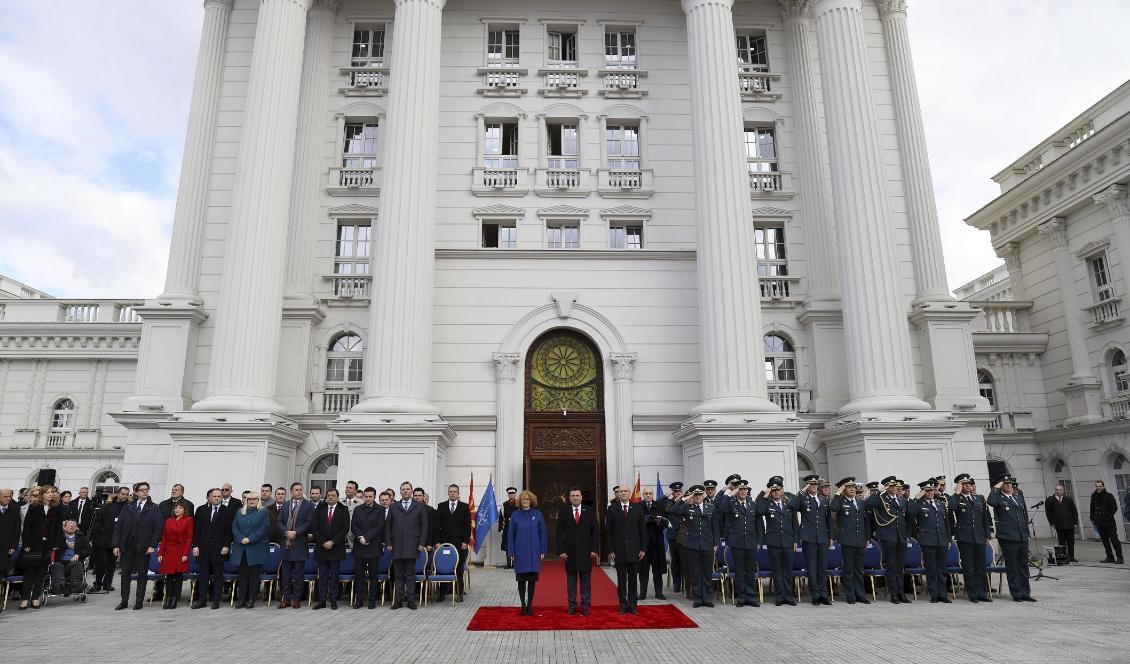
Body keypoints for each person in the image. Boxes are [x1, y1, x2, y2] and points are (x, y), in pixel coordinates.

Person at [112, 481, 163, 610]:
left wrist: (153, 545)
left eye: (146, 489)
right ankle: (124, 601)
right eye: (142, 490)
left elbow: (158, 528)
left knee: (142, 575)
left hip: (144, 546)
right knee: (125, 574)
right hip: (128, 545)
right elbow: (119, 527)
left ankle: (139, 601)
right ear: (136, 492)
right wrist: (116, 545)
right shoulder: (128, 506)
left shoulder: (154, 508)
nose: (144, 492)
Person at [987, 476, 1035, 602]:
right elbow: (991, 502)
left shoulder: (1017, 497)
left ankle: (1026, 593)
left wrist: (1027, 533)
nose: (1009, 485)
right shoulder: (998, 497)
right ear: (1001, 485)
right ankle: (1017, 594)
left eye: (1010, 483)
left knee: (1023, 566)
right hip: (1008, 537)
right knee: (1012, 566)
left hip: (1021, 535)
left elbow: (1024, 515)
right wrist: (995, 488)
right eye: (1006, 483)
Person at [671, 485, 718, 608]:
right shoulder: (687, 508)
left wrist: (715, 544)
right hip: (692, 545)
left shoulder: (711, 508)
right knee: (695, 573)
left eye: (699, 495)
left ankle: (707, 599)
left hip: (707, 544)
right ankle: (697, 598)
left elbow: (715, 527)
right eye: (695, 495)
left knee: (707, 573)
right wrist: (685, 498)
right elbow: (672, 510)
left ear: (703, 495)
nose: (697, 497)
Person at [866, 475, 910, 604]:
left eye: (895, 486)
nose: (894, 488)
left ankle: (901, 593)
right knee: (891, 566)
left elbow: (907, 518)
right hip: (888, 536)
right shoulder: (881, 499)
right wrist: (879, 491)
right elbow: (868, 503)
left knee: (900, 567)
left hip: (900, 536)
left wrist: (906, 534)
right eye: (891, 486)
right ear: (886, 487)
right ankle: (893, 594)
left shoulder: (901, 500)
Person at [949, 473, 992, 602]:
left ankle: (982, 593)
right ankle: (972, 594)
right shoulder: (956, 498)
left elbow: (984, 517)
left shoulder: (979, 498)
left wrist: (987, 534)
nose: (968, 486)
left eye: (969, 484)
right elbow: (951, 507)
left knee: (980, 566)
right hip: (965, 537)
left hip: (979, 536)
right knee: (969, 567)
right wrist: (956, 493)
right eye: (964, 484)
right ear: (960, 486)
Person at [556, 486, 598, 616]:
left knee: (586, 582)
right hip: (569, 553)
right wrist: (561, 551)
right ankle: (572, 605)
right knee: (571, 582)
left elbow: (595, 532)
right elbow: (558, 533)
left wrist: (594, 550)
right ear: (569, 498)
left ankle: (585, 606)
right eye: (573, 496)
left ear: (581, 497)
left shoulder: (590, 511)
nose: (575, 498)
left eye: (577, 495)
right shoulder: (563, 511)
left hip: (586, 552)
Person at [790, 474, 831, 606]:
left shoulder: (823, 499)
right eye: (811, 484)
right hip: (809, 537)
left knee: (822, 567)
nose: (814, 486)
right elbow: (793, 505)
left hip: (822, 537)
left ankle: (823, 594)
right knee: (812, 567)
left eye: (815, 484)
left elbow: (828, 519)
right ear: (807, 486)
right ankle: (815, 594)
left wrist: (831, 536)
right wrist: (802, 491)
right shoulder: (803, 499)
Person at [385, 481, 428, 610]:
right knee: (397, 575)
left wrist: (421, 543)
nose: (405, 491)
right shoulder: (393, 507)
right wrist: (388, 543)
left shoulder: (419, 506)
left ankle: (410, 600)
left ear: (411, 491)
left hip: (413, 545)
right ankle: (397, 601)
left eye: (407, 489)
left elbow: (424, 527)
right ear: (400, 492)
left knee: (410, 575)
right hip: (397, 545)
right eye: (403, 489)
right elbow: (387, 527)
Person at [19, 486, 64, 609]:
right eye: (47, 492)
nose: (50, 494)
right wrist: (26, 544)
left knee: (41, 571)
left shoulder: (56, 509)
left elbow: (58, 529)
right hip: (33, 544)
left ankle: (35, 598)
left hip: (48, 545)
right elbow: (27, 527)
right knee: (30, 572)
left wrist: (56, 544)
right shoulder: (34, 507)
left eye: (52, 492)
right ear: (42, 494)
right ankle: (24, 598)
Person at [756, 476, 798, 606]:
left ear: (782, 490)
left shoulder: (789, 504)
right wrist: (765, 494)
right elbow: (759, 511)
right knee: (777, 570)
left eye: (778, 490)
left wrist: (795, 539)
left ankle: (789, 597)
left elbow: (795, 523)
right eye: (773, 490)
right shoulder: (767, 504)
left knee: (788, 570)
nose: (776, 492)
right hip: (774, 542)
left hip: (788, 541)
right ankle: (779, 597)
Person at [909, 479, 951, 603]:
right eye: (927, 491)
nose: (930, 492)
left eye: (931, 490)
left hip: (942, 539)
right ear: (923, 492)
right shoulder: (919, 504)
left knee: (942, 569)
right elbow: (911, 512)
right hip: (928, 540)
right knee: (931, 569)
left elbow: (946, 523)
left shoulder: (940, 504)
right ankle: (934, 594)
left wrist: (949, 539)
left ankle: (943, 594)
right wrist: (917, 498)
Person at [605, 484, 646, 614]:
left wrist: (643, 549)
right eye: (620, 491)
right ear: (617, 494)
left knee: (633, 580)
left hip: (634, 551)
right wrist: (611, 550)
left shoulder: (638, 508)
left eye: (625, 491)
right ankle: (622, 605)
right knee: (622, 580)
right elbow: (608, 532)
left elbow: (642, 531)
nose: (623, 493)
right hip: (619, 551)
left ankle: (633, 605)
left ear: (629, 493)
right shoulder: (612, 509)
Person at [719, 479, 760, 607]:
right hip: (737, 543)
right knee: (740, 571)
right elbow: (722, 508)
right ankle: (741, 597)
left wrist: (759, 541)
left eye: (744, 489)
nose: (743, 492)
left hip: (751, 542)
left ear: (747, 491)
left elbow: (758, 524)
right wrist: (730, 494)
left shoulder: (753, 504)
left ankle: (751, 597)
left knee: (750, 571)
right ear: (737, 491)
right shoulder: (731, 503)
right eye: (740, 489)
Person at [192, 488, 234, 609]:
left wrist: (226, 545)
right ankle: (202, 600)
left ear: (222, 498)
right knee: (203, 576)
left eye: (218, 496)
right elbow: (197, 530)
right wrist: (196, 545)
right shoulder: (202, 510)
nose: (216, 498)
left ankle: (216, 600)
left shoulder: (227, 511)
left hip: (219, 548)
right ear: (210, 497)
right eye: (214, 496)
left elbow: (228, 530)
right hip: (203, 548)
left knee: (218, 576)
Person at [830, 478, 870, 604]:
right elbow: (833, 508)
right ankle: (850, 595)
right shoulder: (841, 502)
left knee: (858, 569)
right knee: (849, 570)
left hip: (860, 540)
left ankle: (860, 594)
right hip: (847, 540)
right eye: (849, 488)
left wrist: (867, 538)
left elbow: (866, 522)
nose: (852, 489)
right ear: (844, 490)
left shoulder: (861, 502)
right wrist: (838, 493)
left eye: (853, 487)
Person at [507, 489, 547, 616]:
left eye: (527, 499)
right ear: (520, 501)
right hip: (520, 553)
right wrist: (511, 552)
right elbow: (510, 536)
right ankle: (523, 606)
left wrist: (542, 550)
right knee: (521, 580)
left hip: (534, 553)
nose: (525, 501)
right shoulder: (515, 515)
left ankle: (530, 605)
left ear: (531, 501)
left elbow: (542, 534)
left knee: (531, 581)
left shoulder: (538, 514)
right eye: (523, 499)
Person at [276, 482, 314, 609]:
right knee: (285, 575)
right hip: (286, 543)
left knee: (299, 574)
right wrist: (286, 532)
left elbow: (309, 523)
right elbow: (279, 521)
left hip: (299, 543)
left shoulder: (308, 505)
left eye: (300, 489)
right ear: (291, 491)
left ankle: (297, 599)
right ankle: (286, 599)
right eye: (296, 489)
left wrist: (296, 532)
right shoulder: (285, 505)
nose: (299, 491)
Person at [350, 487, 388, 609]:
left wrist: (367, 538)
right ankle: (359, 600)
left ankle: (372, 600)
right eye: (365, 496)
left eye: (370, 496)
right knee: (359, 575)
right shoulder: (357, 509)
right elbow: (354, 526)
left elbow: (380, 526)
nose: (367, 498)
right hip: (359, 546)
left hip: (373, 546)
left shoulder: (380, 509)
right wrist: (360, 537)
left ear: (374, 496)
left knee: (373, 575)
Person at [312, 488, 349, 610]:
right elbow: (315, 527)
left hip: (336, 548)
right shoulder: (320, 509)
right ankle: (322, 601)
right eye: (328, 495)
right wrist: (323, 542)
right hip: (322, 548)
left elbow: (345, 529)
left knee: (334, 576)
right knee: (322, 576)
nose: (330, 497)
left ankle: (333, 600)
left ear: (338, 497)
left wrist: (332, 541)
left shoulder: (343, 509)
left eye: (333, 495)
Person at [434, 483, 471, 602]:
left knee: (459, 568)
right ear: (448, 493)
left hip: (460, 544)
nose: (453, 493)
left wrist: (465, 541)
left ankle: (459, 593)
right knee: (442, 568)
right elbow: (436, 526)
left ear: (458, 493)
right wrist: (437, 541)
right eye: (451, 491)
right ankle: (442, 593)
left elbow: (467, 527)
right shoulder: (441, 506)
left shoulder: (465, 507)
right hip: (444, 544)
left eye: (455, 491)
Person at [89, 486, 128, 592]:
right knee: (100, 563)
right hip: (103, 538)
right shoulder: (108, 505)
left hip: (117, 540)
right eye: (123, 493)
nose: (124, 496)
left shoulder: (128, 507)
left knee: (111, 563)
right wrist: (95, 538)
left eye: (126, 494)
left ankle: (107, 583)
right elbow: (98, 522)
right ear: (118, 493)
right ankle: (97, 583)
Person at [155, 502, 193, 609]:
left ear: (184, 510)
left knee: (178, 576)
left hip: (181, 550)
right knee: (169, 576)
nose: (177, 509)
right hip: (169, 551)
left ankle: (175, 599)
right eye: (176, 508)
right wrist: (160, 553)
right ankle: (168, 598)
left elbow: (189, 539)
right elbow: (164, 538)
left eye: (180, 508)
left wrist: (186, 553)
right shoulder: (168, 520)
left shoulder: (188, 520)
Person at [637, 486, 668, 600]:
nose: (648, 495)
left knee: (657, 570)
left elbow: (666, 523)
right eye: (646, 493)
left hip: (657, 543)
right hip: (643, 544)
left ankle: (659, 593)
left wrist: (658, 522)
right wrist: (644, 522)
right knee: (643, 570)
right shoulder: (638, 506)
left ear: (653, 494)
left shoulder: (660, 506)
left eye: (650, 493)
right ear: (643, 495)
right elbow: (634, 525)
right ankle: (642, 593)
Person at [49, 518, 91, 596]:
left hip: (73, 563)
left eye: (74, 524)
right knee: (57, 565)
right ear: (64, 527)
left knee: (78, 564)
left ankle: (77, 584)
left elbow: (89, 550)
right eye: (69, 524)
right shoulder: (59, 537)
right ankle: (59, 586)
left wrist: (78, 554)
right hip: (60, 562)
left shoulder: (82, 538)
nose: (72, 526)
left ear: (77, 527)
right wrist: (66, 544)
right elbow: (52, 546)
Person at [657, 482, 684, 592]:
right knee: (675, 561)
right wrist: (667, 495)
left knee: (684, 561)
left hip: (683, 536)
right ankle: (677, 584)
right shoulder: (669, 502)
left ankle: (685, 584)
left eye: (679, 491)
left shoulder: (685, 502)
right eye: (675, 491)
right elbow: (658, 503)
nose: (677, 493)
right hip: (673, 536)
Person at [1089, 480, 1123, 564]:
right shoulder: (1094, 496)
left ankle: (1120, 557)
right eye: (1097, 486)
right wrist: (1092, 518)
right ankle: (1110, 557)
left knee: (1114, 540)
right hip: (1099, 522)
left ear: (1103, 486)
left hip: (1109, 522)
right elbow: (1092, 508)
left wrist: (1107, 516)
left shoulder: (1109, 496)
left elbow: (1114, 508)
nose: (1098, 487)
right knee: (1105, 541)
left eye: (1100, 486)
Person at [1044, 484, 1079, 563]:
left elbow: (1074, 512)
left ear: (1063, 491)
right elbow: (1048, 513)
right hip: (1059, 524)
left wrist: (1075, 522)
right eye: (1056, 490)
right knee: (1061, 542)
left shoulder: (1068, 500)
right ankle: (1062, 558)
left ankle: (1071, 557)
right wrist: (1052, 523)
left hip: (1069, 524)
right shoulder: (1050, 500)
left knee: (1070, 542)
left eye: (1060, 490)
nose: (1058, 491)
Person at [0, 488, 20, 610]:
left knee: (2, 575)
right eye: (5, 496)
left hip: (6, 550)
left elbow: (16, 530)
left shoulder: (14, 510)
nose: (8, 498)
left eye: (9, 496)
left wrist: (13, 546)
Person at [499, 487, 518, 569]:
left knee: (516, 545)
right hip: (507, 528)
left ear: (515, 494)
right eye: (510, 493)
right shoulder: (504, 505)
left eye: (513, 493)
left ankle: (515, 563)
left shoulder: (519, 504)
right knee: (507, 545)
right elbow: (501, 517)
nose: (511, 495)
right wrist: (501, 528)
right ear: (508, 494)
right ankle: (508, 563)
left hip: (517, 528)